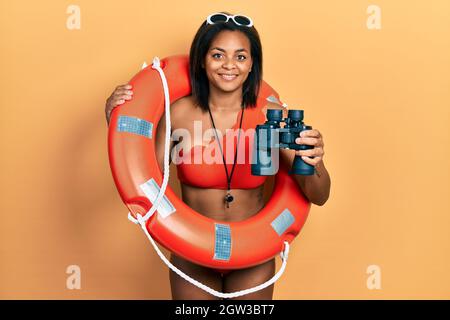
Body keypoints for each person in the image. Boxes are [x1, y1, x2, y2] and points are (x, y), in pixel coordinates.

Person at [105, 12, 331, 300]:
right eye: (218, 55)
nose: (229, 66)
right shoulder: (179, 115)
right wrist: (115, 121)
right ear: (202, 60)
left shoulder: (272, 118)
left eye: (240, 57)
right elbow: (143, 172)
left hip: (254, 254)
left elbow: (319, 195)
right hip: (192, 250)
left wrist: (315, 160)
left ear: (252, 65)